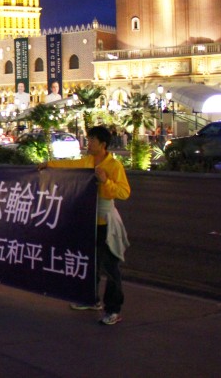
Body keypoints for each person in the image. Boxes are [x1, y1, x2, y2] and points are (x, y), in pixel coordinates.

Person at [38, 125, 131, 326]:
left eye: (92, 140)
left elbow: (124, 192)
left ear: (103, 144)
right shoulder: (87, 162)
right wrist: (49, 165)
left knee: (111, 267)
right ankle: (91, 299)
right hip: (89, 221)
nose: (88, 143)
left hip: (106, 222)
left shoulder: (113, 166)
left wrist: (105, 182)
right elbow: (70, 166)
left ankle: (113, 309)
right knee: (91, 263)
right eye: (88, 140)